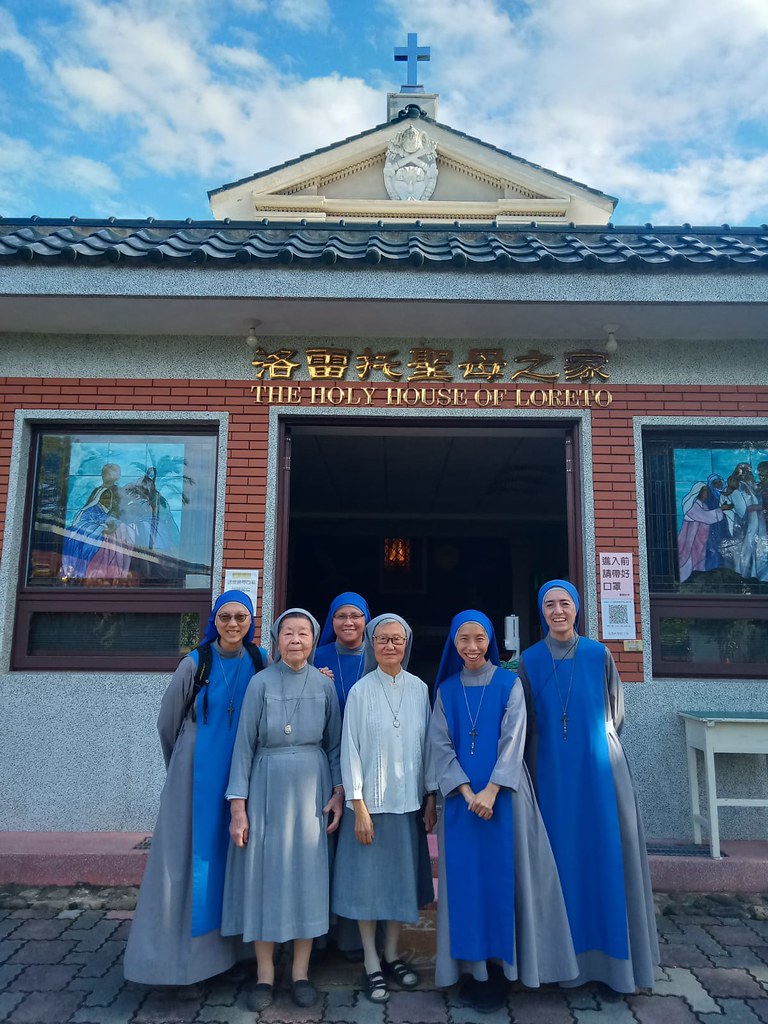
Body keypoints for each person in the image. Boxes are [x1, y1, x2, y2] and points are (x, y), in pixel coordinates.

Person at [429, 610, 576, 1012]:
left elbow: (514, 740)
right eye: (463, 640)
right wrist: (464, 790)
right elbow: (439, 748)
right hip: (461, 805)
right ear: (454, 644)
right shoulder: (444, 691)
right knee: (466, 886)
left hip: (506, 799)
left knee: (504, 883)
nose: (471, 647)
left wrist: (491, 791)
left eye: (479, 639)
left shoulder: (510, 684)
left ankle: (503, 971)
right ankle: (473, 970)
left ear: (490, 640)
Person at [518, 580, 659, 994]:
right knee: (560, 865)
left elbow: (615, 714)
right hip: (552, 777)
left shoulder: (600, 654)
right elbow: (527, 719)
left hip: (598, 774)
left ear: (576, 609)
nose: (557, 611)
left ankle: (612, 969)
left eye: (564, 603)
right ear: (540, 611)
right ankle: (563, 965)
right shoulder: (529, 660)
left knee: (604, 859)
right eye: (549, 604)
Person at [123, 589, 266, 986]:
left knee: (234, 860)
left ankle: (235, 954)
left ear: (250, 621)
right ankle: (177, 963)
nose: (233, 624)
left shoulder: (259, 660)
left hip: (241, 775)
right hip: (195, 776)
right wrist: (182, 769)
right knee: (187, 863)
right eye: (225, 617)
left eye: (241, 617)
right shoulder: (195, 663)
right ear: (214, 621)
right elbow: (167, 723)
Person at [221, 608, 343, 1011]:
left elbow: (336, 745)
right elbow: (243, 748)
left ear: (313, 640)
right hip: (266, 785)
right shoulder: (259, 684)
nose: (295, 639)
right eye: (287, 633)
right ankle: (265, 974)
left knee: (308, 878)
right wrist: (238, 808)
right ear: (276, 639)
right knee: (265, 878)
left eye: (303, 633)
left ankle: (301, 973)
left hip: (313, 786)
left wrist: (339, 792)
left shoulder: (325, 686)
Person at [331, 613, 437, 1005]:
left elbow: (427, 748)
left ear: (406, 645)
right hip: (369, 808)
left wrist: (430, 797)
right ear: (372, 645)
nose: (390, 646)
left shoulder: (420, 689)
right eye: (382, 640)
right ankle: (371, 961)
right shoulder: (360, 691)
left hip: (407, 805)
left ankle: (393, 955)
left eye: (397, 640)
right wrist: (358, 806)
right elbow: (350, 751)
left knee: (396, 887)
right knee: (366, 888)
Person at [314, 592, 371, 714]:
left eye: (355, 616)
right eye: (341, 616)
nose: (348, 623)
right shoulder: (315, 658)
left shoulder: (378, 658)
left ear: (365, 618)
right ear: (332, 620)